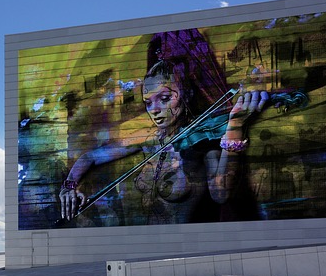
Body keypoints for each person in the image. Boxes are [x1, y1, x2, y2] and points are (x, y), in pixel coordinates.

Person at [58, 36, 268, 226]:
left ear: (187, 92)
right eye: (148, 102)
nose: (155, 110)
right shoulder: (147, 137)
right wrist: (69, 186)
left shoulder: (202, 143)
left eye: (165, 99)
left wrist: (236, 127)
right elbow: (90, 157)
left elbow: (221, 193)